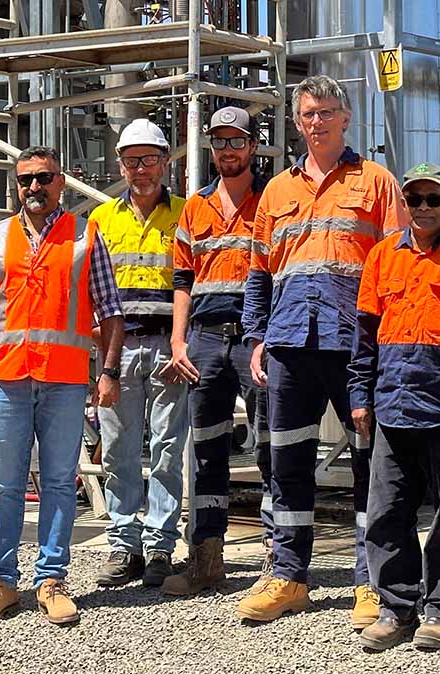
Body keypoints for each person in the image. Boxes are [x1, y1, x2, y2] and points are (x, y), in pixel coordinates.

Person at [239, 74, 405, 627]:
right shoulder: (276, 191)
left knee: (369, 465)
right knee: (287, 462)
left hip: (355, 343)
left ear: (347, 118)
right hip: (288, 344)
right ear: (297, 120)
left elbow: (399, 268)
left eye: (328, 112)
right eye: (308, 113)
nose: (317, 122)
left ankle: (370, 582)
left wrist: (387, 345)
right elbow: (259, 272)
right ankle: (288, 575)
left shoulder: (376, 182)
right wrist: (257, 336)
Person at [0, 146, 124, 626]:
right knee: (3, 484)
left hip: (64, 379)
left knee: (57, 482)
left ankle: (51, 579)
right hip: (7, 376)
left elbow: (110, 311)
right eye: (26, 179)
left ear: (62, 183)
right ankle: (2, 582)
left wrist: (109, 372)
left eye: (44, 178)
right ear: (16, 185)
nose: (35, 187)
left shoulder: (84, 235)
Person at [349, 164, 440, 651]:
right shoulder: (380, 257)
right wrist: (359, 396)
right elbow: (364, 337)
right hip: (393, 402)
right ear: (404, 205)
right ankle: (396, 606)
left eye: (434, 199)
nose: (424, 208)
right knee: (388, 510)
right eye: (415, 200)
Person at [161, 106, 273, 596]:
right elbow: (182, 280)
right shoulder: (195, 207)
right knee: (207, 449)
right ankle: (207, 559)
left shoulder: (271, 200)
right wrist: (178, 339)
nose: (228, 150)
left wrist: (266, 336)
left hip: (254, 338)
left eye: (236, 141)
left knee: (272, 446)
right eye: (220, 142)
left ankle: (278, 560)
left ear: (252, 146)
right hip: (205, 339)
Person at [90, 119, 190, 588]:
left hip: (170, 347)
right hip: (119, 348)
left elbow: (195, 283)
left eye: (150, 159)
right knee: (118, 449)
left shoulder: (185, 215)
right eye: (132, 161)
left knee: (168, 449)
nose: (142, 169)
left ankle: (160, 547)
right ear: (120, 167)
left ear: (166, 162)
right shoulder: (101, 220)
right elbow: (86, 290)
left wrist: (182, 342)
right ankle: (124, 543)